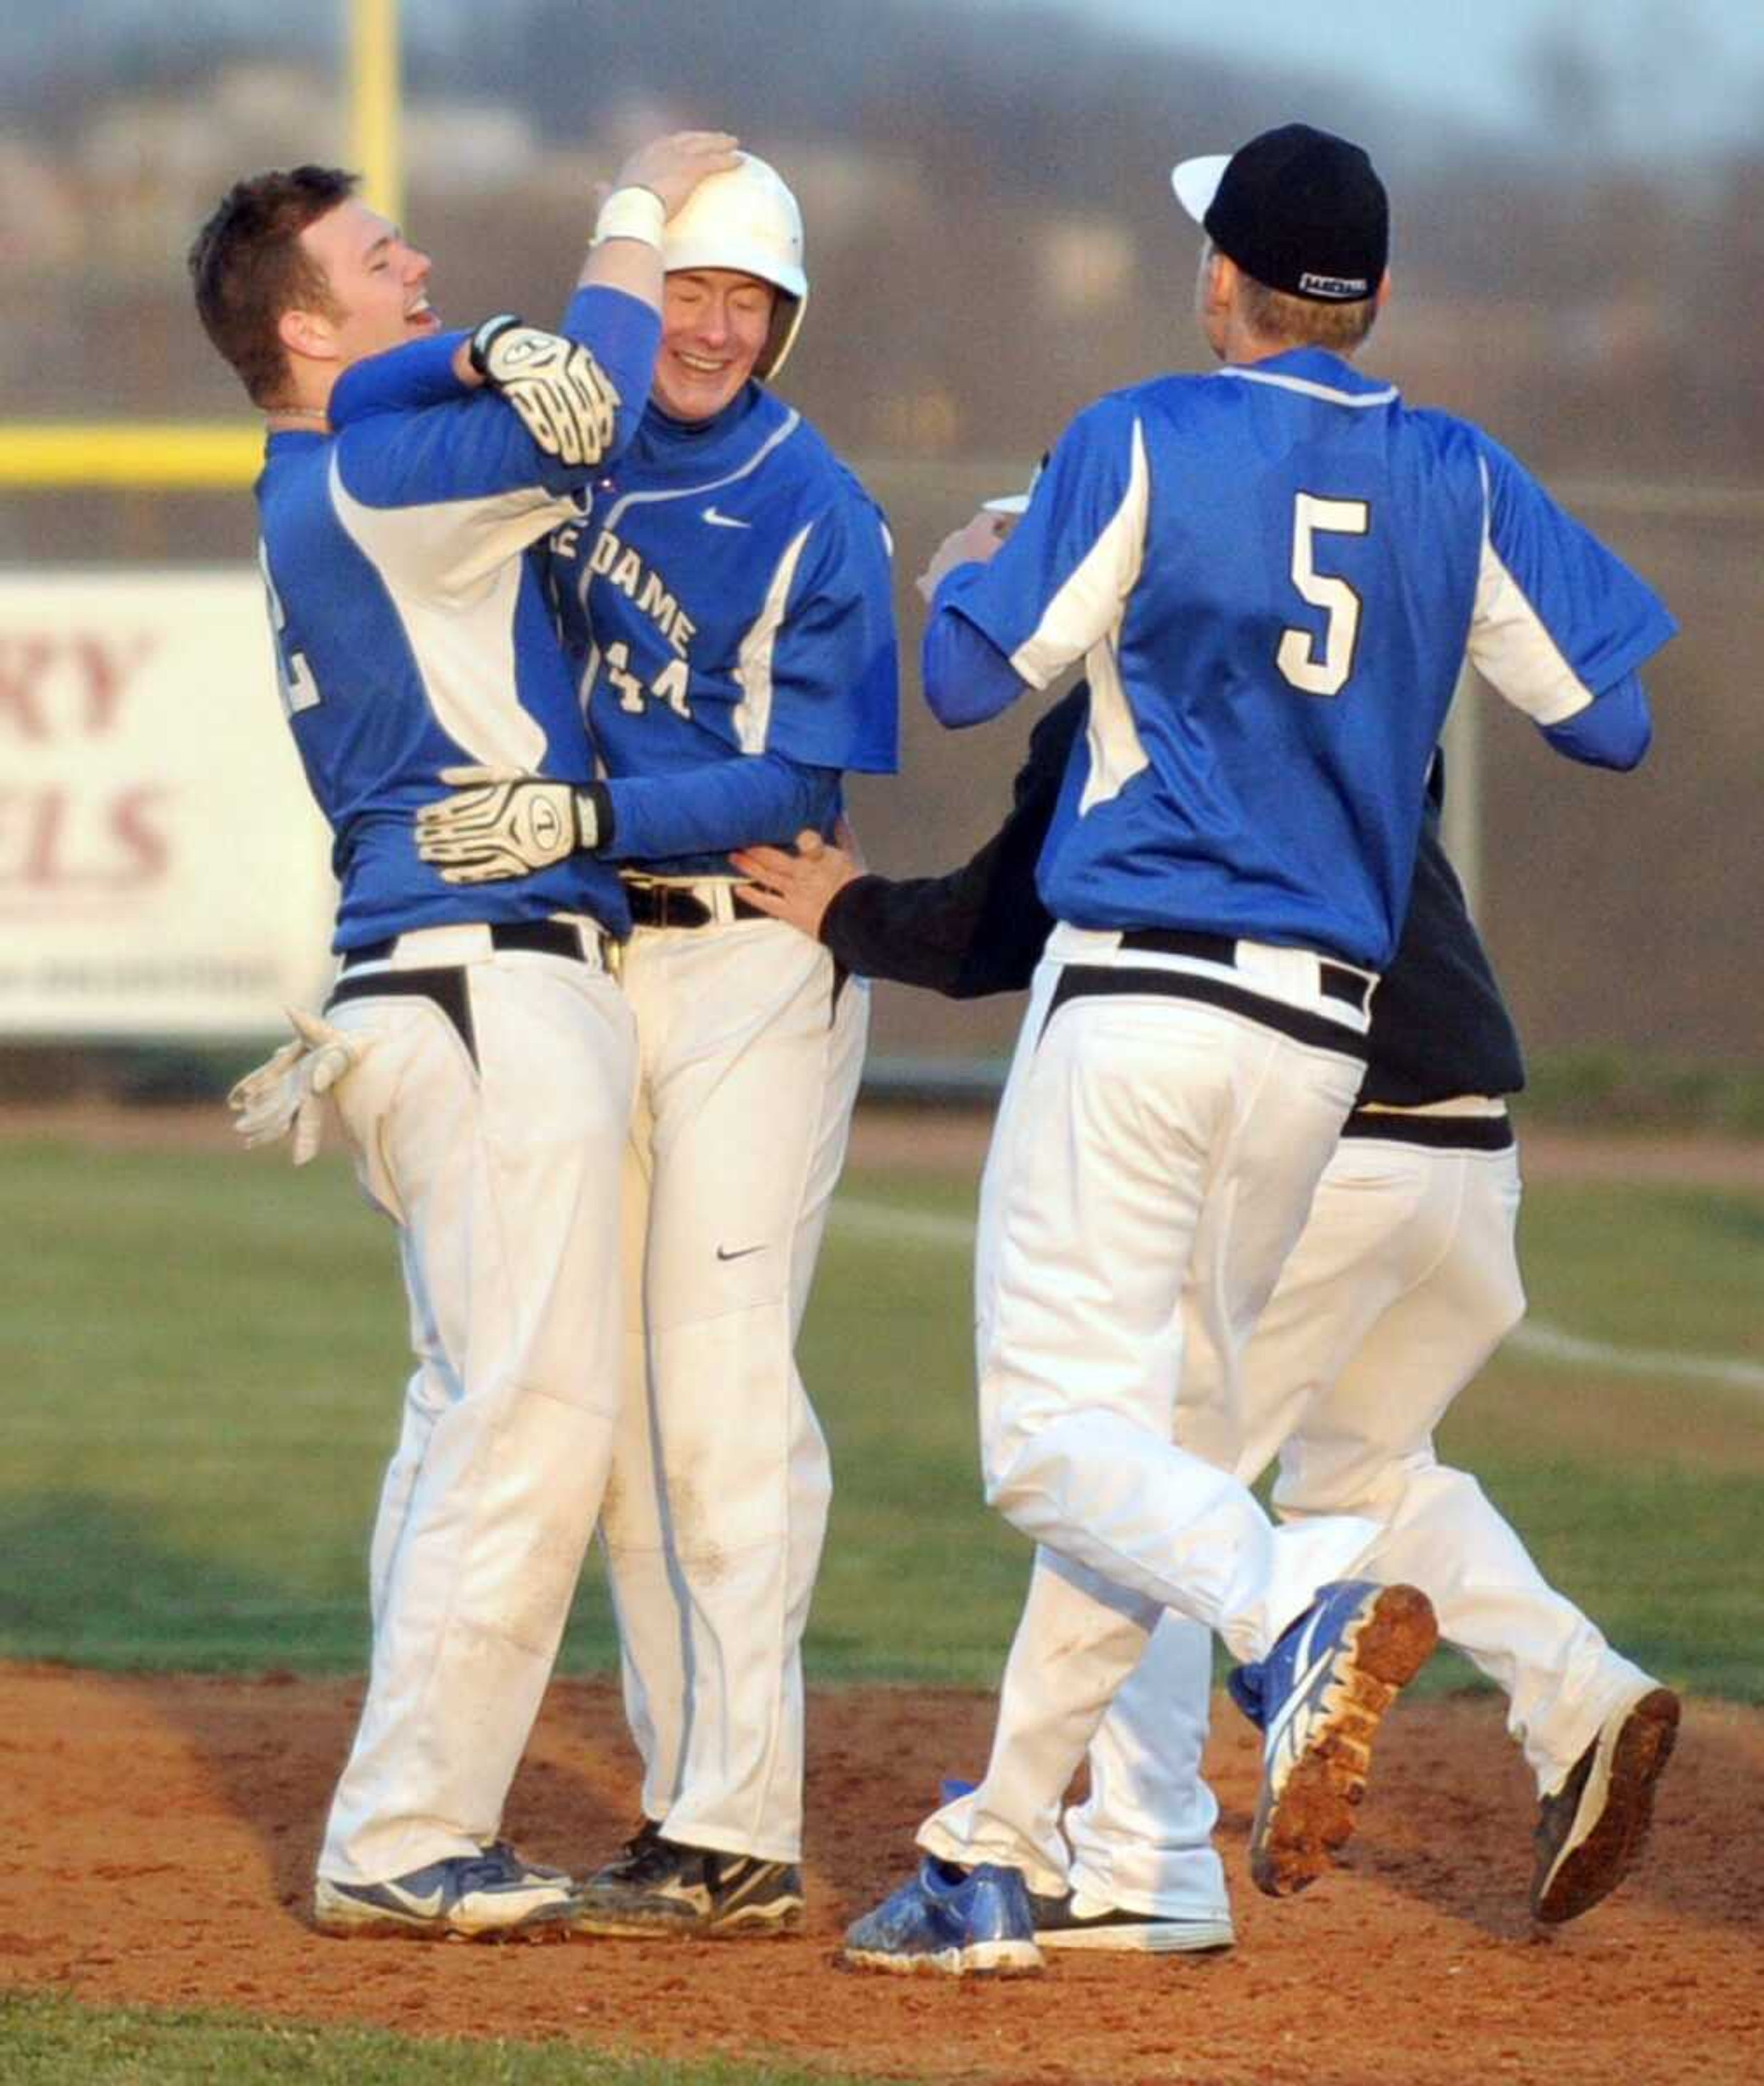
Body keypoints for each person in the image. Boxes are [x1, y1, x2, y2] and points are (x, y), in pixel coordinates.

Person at [813, 120, 1675, 1973]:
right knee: (1159, 1459)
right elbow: (1610, 724)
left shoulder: (1142, 432)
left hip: (1137, 999)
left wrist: (979, 558)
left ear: (1226, 277)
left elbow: (967, 682)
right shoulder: (1455, 467)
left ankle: (1297, 1618)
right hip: (1316, 1042)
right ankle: (1000, 1850)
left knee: (1052, 1443)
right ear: (1371, 296)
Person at [734, 678, 1679, 1963]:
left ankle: (1106, 1849)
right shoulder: (1361, 692)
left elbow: (1001, 924)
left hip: (1345, 1149)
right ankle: (1580, 1695)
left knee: (1149, 1489)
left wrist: (846, 911)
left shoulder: (1144, 694)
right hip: (1468, 1154)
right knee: (1367, 1473)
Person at [189, 128, 741, 1942]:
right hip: (491, 982)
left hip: (425, 991)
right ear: (311, 331)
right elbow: (583, 407)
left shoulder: (325, 469)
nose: (417, 271)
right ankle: (404, 1830)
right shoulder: (381, 474)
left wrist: (470, 336)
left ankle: (401, 1804)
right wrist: (638, 208)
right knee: (534, 1417)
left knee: (464, 1411)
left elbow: (521, 388)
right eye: (384, 263)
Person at [391, 153, 899, 1936]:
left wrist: (582, 810)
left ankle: (745, 1814)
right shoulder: (574, 446)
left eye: (746, 300)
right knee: (608, 1418)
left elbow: (797, 786)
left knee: (721, 1390)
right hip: (596, 951)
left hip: (751, 960)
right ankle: (692, 1803)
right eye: (687, 288)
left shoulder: (819, 504)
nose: (711, 325)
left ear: (785, 324)